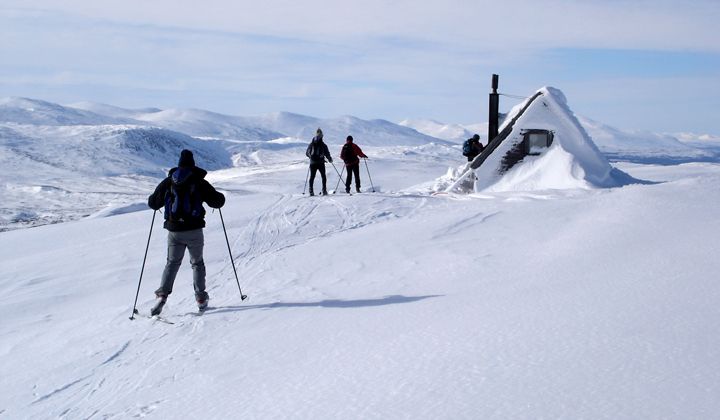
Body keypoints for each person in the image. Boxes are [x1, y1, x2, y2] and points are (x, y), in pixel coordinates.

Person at [147, 149, 225, 315]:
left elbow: (153, 203)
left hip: (174, 231)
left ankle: (162, 295)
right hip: (194, 231)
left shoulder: (169, 181)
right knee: (197, 263)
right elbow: (218, 201)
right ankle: (201, 298)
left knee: (172, 263)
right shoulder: (199, 181)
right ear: (193, 164)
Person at [305, 128, 333, 196]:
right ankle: (324, 190)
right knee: (323, 176)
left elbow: (307, 153)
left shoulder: (311, 144)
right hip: (320, 163)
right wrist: (330, 159)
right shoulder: (323, 145)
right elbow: (327, 153)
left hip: (312, 163)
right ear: (322, 136)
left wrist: (311, 157)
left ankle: (311, 190)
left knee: (312, 177)